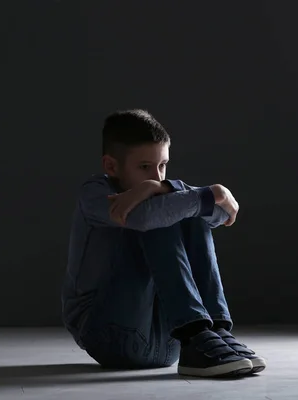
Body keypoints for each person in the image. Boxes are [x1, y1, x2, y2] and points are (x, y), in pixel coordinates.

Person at [61, 109, 266, 377]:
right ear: (111, 166)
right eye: (145, 167)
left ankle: (213, 333)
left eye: (162, 165)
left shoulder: (160, 188)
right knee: (163, 212)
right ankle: (196, 332)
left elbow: (221, 215)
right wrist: (213, 192)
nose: (157, 177)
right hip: (110, 336)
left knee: (188, 210)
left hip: (173, 342)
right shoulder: (96, 194)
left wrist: (165, 188)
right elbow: (148, 217)